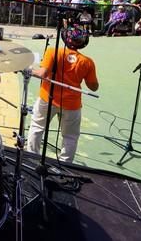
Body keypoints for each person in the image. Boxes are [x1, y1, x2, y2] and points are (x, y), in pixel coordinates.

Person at [28, 25, 99, 163]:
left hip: (47, 98)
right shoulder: (87, 62)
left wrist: (28, 69)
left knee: (37, 127)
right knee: (70, 137)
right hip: (72, 104)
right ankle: (66, 164)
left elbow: (42, 74)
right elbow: (93, 87)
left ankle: (32, 158)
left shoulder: (53, 51)